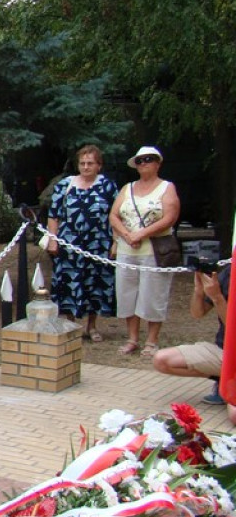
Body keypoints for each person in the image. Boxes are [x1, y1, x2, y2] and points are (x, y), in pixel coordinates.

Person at [109, 146, 180, 358]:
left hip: (155, 250)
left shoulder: (167, 188)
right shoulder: (127, 188)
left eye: (149, 159)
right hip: (127, 249)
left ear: (158, 163)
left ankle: (151, 340)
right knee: (127, 294)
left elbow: (170, 217)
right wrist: (127, 235)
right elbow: (114, 215)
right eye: (140, 160)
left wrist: (142, 234)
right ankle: (132, 338)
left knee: (153, 294)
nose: (144, 163)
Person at [45, 145, 118, 341]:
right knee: (69, 283)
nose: (86, 167)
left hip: (98, 245)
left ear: (98, 166)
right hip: (69, 245)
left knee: (95, 284)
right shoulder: (65, 185)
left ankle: (91, 326)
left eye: (90, 163)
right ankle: (71, 324)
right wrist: (53, 240)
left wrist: (115, 243)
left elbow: (116, 216)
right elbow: (53, 215)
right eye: (82, 163)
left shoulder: (108, 186)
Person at [152, 266, 235, 418]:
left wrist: (217, 298)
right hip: (225, 352)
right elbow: (197, 313)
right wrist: (199, 291)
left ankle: (228, 384)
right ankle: (223, 380)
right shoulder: (230, 272)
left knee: (234, 415)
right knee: (161, 360)